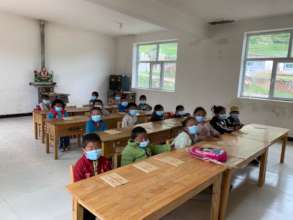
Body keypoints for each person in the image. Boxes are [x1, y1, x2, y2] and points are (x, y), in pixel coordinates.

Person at [73, 133, 111, 220]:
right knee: (87, 215)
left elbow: (109, 176)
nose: (95, 150)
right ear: (84, 150)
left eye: (97, 147)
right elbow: (78, 187)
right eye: (91, 148)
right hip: (88, 197)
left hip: (104, 193)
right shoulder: (80, 165)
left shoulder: (105, 161)